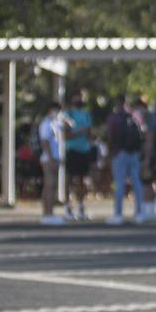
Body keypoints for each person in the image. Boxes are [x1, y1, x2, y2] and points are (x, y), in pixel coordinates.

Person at [105, 94, 145, 225]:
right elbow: (141, 134)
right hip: (134, 153)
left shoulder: (113, 118)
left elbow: (110, 136)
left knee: (119, 183)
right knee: (137, 183)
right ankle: (139, 213)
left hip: (119, 153)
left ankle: (118, 214)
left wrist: (111, 153)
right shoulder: (135, 116)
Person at [64, 90, 93, 221]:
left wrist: (89, 135)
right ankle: (67, 207)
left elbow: (90, 134)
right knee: (69, 180)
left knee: (82, 180)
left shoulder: (87, 114)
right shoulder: (68, 114)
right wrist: (81, 131)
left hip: (84, 150)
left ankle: (81, 207)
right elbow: (66, 135)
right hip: (72, 150)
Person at [38, 102, 66, 226]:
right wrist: (51, 158)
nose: (58, 113)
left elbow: (70, 126)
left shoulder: (55, 123)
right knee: (49, 186)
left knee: (51, 187)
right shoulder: (46, 124)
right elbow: (44, 142)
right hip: (49, 160)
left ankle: (49, 213)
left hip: (54, 159)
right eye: (57, 110)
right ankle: (47, 214)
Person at [134, 96, 156, 220]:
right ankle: (151, 209)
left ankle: (146, 210)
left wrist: (147, 159)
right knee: (149, 182)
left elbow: (149, 140)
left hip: (148, 155)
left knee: (145, 182)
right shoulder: (153, 117)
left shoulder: (148, 119)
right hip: (153, 154)